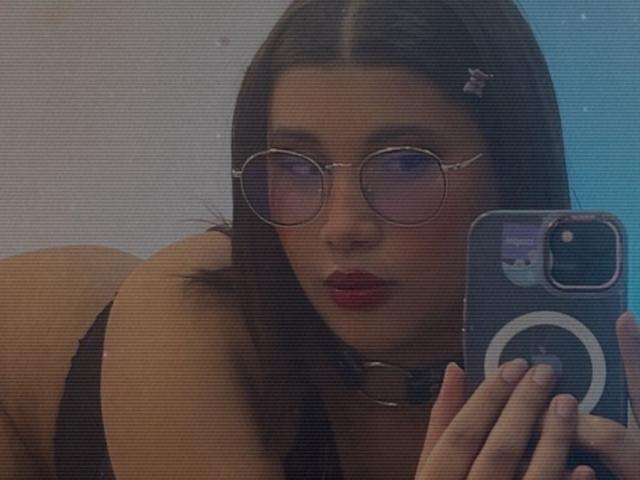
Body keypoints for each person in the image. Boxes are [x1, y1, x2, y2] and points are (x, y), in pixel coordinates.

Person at [0, 0, 638, 479]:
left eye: (406, 162)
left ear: (510, 170)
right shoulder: (190, 311)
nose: (342, 227)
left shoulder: (596, 375)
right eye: (297, 166)